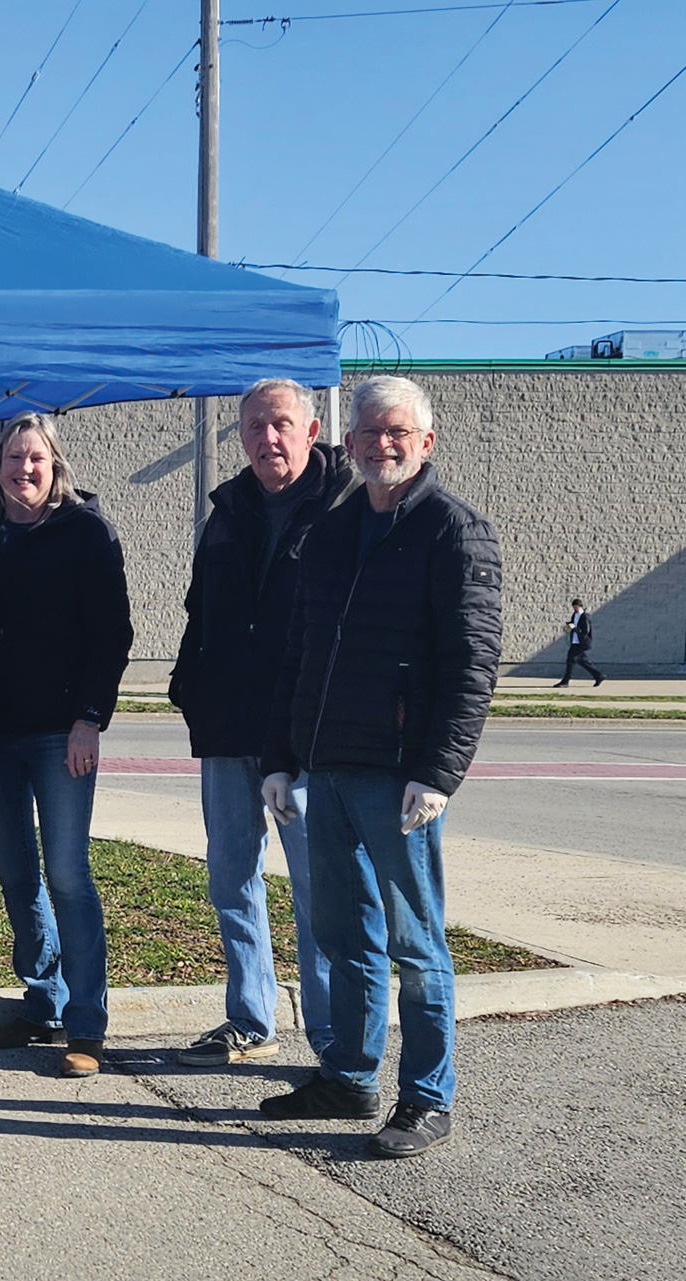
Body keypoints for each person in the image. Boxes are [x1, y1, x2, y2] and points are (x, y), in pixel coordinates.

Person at [259, 375, 502, 1160]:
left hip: (400, 779)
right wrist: (280, 758)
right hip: (327, 770)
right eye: (369, 431)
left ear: (426, 442)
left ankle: (427, 1096)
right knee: (343, 934)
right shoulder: (330, 533)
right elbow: (298, 653)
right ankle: (349, 1075)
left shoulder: (454, 531)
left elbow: (472, 663)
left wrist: (439, 773)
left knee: (415, 942)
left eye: (397, 432)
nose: (382, 444)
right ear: (349, 441)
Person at [167, 380, 355, 1067]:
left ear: (311, 431)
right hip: (227, 723)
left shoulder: (344, 507)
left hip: (304, 731)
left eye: (280, 424)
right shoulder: (227, 510)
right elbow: (199, 608)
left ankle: (331, 1033)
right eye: (254, 426)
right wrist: (189, 686)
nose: (267, 438)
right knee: (230, 877)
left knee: (316, 886)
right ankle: (250, 1017)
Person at [0, 413, 133, 1079]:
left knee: (67, 873)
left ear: (54, 464)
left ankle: (86, 1023)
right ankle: (43, 999)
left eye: (35, 458)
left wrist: (90, 717)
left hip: (64, 733)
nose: (23, 469)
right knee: (16, 873)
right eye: (13, 458)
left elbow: (111, 633)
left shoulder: (86, 532)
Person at [556, 599, 603, 686]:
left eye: (576, 607)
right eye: (573, 607)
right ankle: (599, 675)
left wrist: (574, 628)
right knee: (582, 661)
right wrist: (569, 626)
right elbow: (574, 626)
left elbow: (585, 632)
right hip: (575, 641)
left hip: (582, 643)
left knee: (570, 660)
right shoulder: (574, 615)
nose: (575, 609)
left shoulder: (585, 617)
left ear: (580, 606)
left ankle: (565, 681)